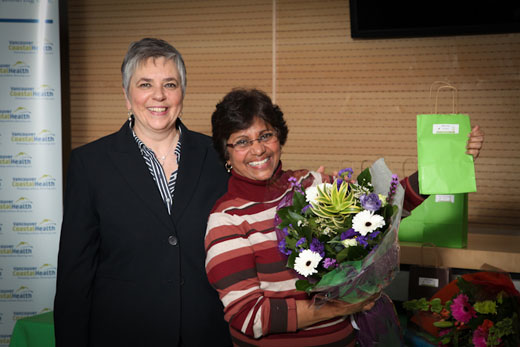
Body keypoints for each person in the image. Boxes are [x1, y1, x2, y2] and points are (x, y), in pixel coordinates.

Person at [205, 88, 484, 346]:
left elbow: (383, 212)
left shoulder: (313, 184)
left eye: (265, 135)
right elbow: (249, 316)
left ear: (279, 136)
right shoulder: (226, 219)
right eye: (242, 141)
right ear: (226, 154)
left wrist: (452, 162)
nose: (258, 149)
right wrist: (342, 307)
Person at [53, 38, 232, 346]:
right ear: (126, 95)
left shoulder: (218, 156)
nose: (158, 96)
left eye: (170, 84)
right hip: (122, 333)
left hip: (207, 332)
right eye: (145, 84)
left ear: (182, 92)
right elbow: (75, 273)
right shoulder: (90, 164)